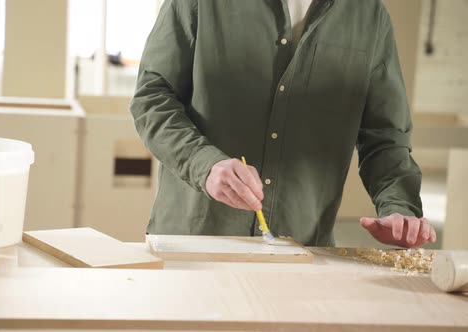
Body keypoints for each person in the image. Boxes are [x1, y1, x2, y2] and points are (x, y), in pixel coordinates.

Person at [130, 0, 437, 248]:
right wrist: (205, 165)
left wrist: (398, 208)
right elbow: (152, 98)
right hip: (191, 241)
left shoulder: (369, 16)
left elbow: (385, 137)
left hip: (302, 249)